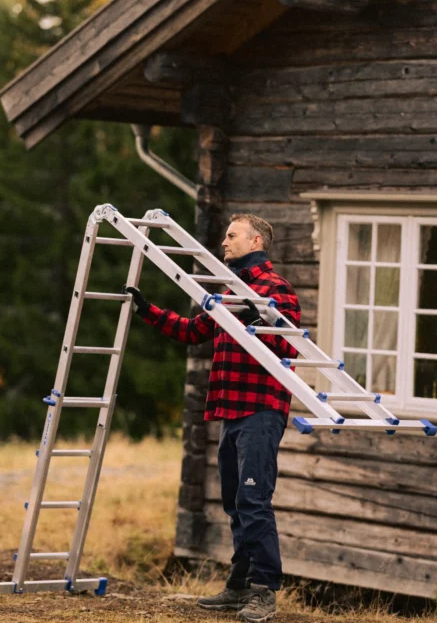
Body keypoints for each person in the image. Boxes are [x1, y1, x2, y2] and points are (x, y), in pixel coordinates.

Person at [126, 214, 301, 623]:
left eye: (232, 235)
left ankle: (264, 592)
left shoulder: (274, 289)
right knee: (235, 503)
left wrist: (258, 321)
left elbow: (289, 345)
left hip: (261, 409)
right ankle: (238, 587)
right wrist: (147, 310)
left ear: (256, 240)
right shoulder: (229, 293)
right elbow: (192, 331)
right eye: (225, 235)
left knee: (254, 501)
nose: (224, 242)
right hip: (230, 411)